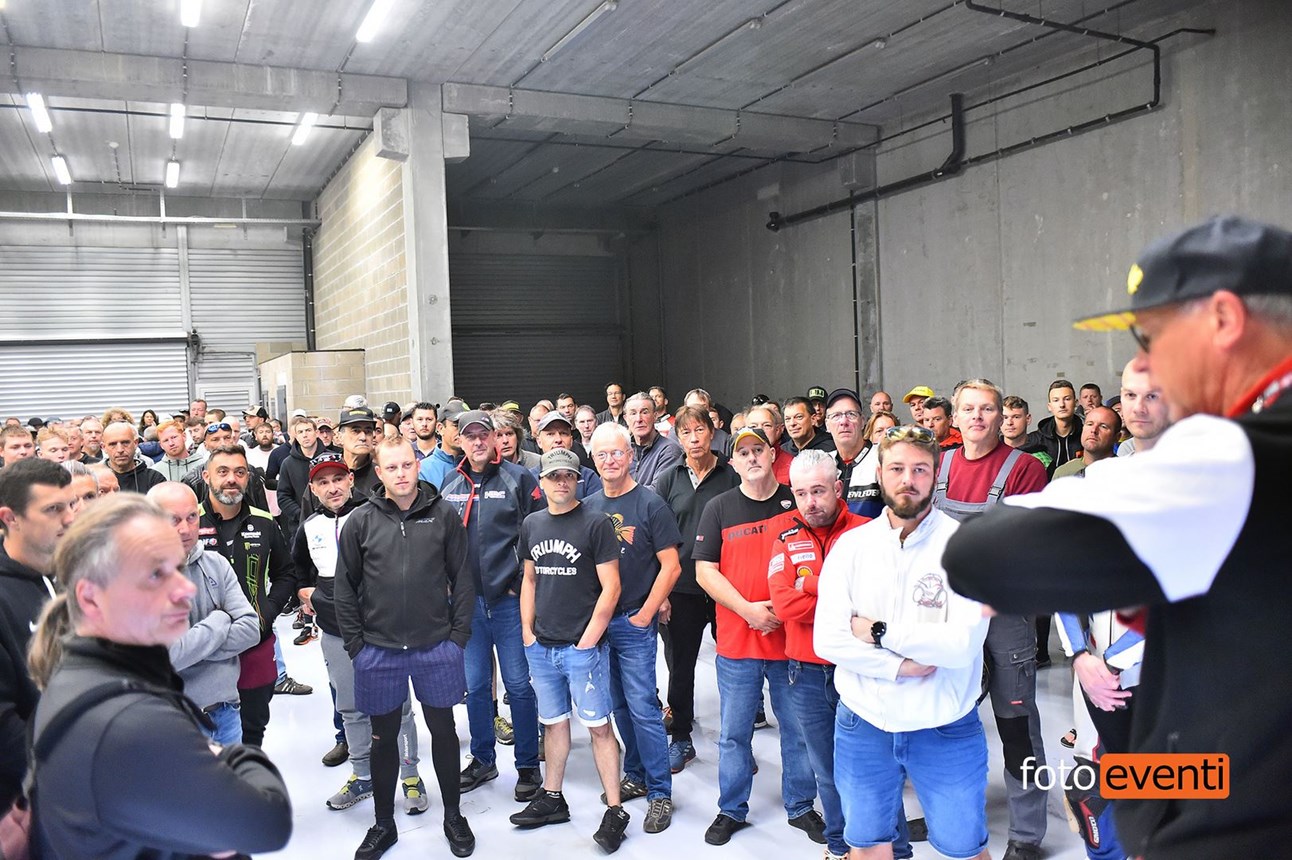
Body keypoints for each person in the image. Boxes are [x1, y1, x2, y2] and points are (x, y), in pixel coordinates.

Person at [944, 215, 1292, 859]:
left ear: (1223, 320)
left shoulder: (1235, 454)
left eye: (1150, 337)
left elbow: (982, 556)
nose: (1144, 366)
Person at [25, 495, 293, 859]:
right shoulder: (129, 721)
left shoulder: (83, 677)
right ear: (90, 598)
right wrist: (224, 754)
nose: (185, 589)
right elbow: (267, 821)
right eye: (155, 575)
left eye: (176, 568)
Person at [815, 425, 991, 860]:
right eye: (896, 468)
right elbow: (828, 639)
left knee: (965, 850)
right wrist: (898, 665)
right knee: (868, 846)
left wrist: (879, 632)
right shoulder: (852, 547)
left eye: (919, 469)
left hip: (943, 724)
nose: (907, 479)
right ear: (879, 474)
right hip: (864, 723)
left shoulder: (967, 547)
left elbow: (959, 646)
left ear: (935, 476)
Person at [334, 436, 475, 860]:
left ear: (418, 465)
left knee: (444, 733)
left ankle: (453, 816)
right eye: (391, 467)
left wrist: (458, 639)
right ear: (379, 472)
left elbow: (463, 577)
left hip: (436, 647)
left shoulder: (444, 514)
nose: (400, 473)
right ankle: (384, 823)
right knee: (383, 739)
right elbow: (345, 587)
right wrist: (357, 646)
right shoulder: (360, 520)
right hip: (378, 650)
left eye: (407, 465)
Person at [932, 379, 1050, 860]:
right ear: (954, 416)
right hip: (945, 614)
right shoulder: (939, 465)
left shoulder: (1024, 469)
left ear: (1002, 417)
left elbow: (1030, 547)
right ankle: (949, 817)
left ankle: (1027, 834)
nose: (977, 417)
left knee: (1016, 726)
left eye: (987, 409)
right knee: (944, 722)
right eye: (968, 409)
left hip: (1003, 615)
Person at [693, 427, 821, 847]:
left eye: (758, 449)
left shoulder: (795, 502)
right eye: (743, 452)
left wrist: (784, 608)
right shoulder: (718, 507)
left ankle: (801, 804)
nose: (751, 458)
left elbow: (813, 561)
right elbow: (705, 571)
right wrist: (748, 609)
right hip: (738, 641)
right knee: (734, 734)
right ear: (732, 462)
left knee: (797, 730)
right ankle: (732, 808)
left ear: (772, 454)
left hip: (791, 641)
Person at [293, 452, 428, 814]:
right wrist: (306, 592)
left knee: (398, 707)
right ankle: (363, 775)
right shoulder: (309, 526)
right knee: (351, 707)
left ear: (351, 480)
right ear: (313, 488)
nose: (332, 488)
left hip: (381, 630)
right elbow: (298, 569)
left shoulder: (374, 514)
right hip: (335, 631)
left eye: (338, 479)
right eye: (323, 482)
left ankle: (410, 775)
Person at [512, 447, 629, 853]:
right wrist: (527, 632)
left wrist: (589, 638)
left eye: (568, 476)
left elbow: (612, 586)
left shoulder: (596, 523)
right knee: (553, 723)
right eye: (554, 476)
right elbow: (529, 579)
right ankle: (552, 797)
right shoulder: (532, 524)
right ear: (541, 482)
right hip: (542, 646)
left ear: (577, 480)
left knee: (599, 727)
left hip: (582, 648)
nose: (561, 482)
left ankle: (615, 809)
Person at [766, 449, 869, 860]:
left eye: (819, 491)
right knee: (825, 769)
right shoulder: (784, 538)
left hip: (858, 669)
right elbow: (784, 604)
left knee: (871, 767)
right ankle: (839, 846)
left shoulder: (866, 534)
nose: (810, 502)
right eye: (801, 493)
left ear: (838, 488)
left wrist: (808, 585)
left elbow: (871, 602)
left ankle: (880, 846)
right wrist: (839, 601)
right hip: (805, 673)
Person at [440, 411, 545, 805]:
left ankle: (528, 765)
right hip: (467, 606)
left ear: (496, 438)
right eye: (470, 436)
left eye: (484, 435)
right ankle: (483, 759)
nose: (478, 442)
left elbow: (537, 532)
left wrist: (521, 584)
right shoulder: (449, 483)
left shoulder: (519, 478)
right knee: (476, 686)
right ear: (460, 441)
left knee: (518, 684)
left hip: (508, 603)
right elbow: (441, 542)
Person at [584, 422, 682, 834]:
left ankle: (660, 792)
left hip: (633, 621)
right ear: (593, 460)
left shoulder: (650, 503)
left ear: (630, 456)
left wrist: (647, 613)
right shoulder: (587, 506)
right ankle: (637, 774)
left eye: (617, 453)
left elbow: (671, 566)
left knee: (643, 706)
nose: (610, 460)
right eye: (602, 454)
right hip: (599, 625)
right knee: (619, 704)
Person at [650, 406, 740, 774]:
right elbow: (657, 537)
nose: (694, 438)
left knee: (733, 666)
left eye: (699, 430)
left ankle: (737, 743)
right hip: (682, 588)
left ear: (711, 432)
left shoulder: (731, 476)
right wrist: (661, 593)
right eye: (685, 432)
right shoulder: (668, 480)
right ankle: (681, 737)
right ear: (678, 438)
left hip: (724, 587)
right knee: (681, 666)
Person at [197, 444, 304, 746]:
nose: (231, 479)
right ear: (206, 476)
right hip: (207, 650)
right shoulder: (190, 522)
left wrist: (266, 613)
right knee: (207, 735)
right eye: (222, 471)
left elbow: (286, 574)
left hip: (255, 643)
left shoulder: (264, 521)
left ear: (248, 478)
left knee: (253, 729)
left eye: (239, 472)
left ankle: (250, 771)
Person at [148, 481, 260, 746]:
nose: (185, 529)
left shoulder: (216, 564)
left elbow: (250, 629)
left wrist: (191, 648)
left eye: (191, 517)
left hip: (226, 713)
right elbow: (166, 658)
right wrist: (220, 620)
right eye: (173, 520)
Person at [0, 459, 78, 814]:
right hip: (31, 801)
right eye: (53, 509)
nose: (70, 518)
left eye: (71, 505)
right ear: (10, 518)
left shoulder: (68, 579)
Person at [624, 392, 683, 488]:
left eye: (644, 412)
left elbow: (657, 491)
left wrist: (620, 491)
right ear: (626, 419)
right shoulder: (622, 450)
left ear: (655, 416)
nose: (638, 419)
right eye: (633, 413)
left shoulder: (669, 451)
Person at [100, 421, 166, 494]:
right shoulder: (95, 480)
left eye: (125, 443)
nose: (120, 450)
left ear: (135, 443)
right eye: (113, 444)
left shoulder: (154, 479)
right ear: (103, 447)